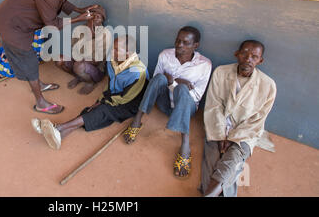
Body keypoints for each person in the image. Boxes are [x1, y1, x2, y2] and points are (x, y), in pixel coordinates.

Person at [0, 0, 98, 114]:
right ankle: (40, 102)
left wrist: (78, 9)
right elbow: (52, 24)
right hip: (11, 25)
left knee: (30, 59)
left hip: (12, 19)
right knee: (28, 60)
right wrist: (78, 18)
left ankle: (39, 85)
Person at [123, 26, 212, 179]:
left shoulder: (204, 65)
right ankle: (137, 120)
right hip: (164, 104)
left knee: (182, 90)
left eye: (185, 42)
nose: (179, 45)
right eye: (178, 40)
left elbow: (196, 95)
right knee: (159, 79)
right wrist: (172, 81)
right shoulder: (165, 55)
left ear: (195, 45)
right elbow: (158, 81)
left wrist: (175, 83)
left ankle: (185, 144)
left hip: (185, 108)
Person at [32, 36, 149, 150]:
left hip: (130, 103)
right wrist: (101, 98)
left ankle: (58, 128)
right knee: (90, 109)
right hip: (115, 96)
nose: (112, 51)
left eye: (117, 49)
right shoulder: (114, 60)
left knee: (103, 110)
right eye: (113, 47)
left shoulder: (137, 72)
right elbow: (110, 84)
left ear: (128, 53)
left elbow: (125, 98)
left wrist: (104, 101)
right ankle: (60, 134)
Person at [200, 40, 276, 197]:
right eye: (244, 54)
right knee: (211, 159)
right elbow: (213, 106)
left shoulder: (268, 86)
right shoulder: (221, 72)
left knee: (232, 160)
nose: (248, 59)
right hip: (217, 126)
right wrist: (221, 135)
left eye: (254, 57)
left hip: (245, 134)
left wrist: (233, 138)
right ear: (237, 54)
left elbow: (257, 120)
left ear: (260, 61)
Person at [55, 6, 112, 94]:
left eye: (99, 16)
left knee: (79, 66)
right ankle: (79, 77)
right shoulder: (80, 29)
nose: (95, 18)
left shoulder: (105, 34)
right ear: (88, 17)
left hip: (96, 70)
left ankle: (90, 83)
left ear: (102, 20)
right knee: (59, 60)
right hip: (79, 61)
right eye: (93, 15)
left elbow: (97, 61)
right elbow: (73, 47)